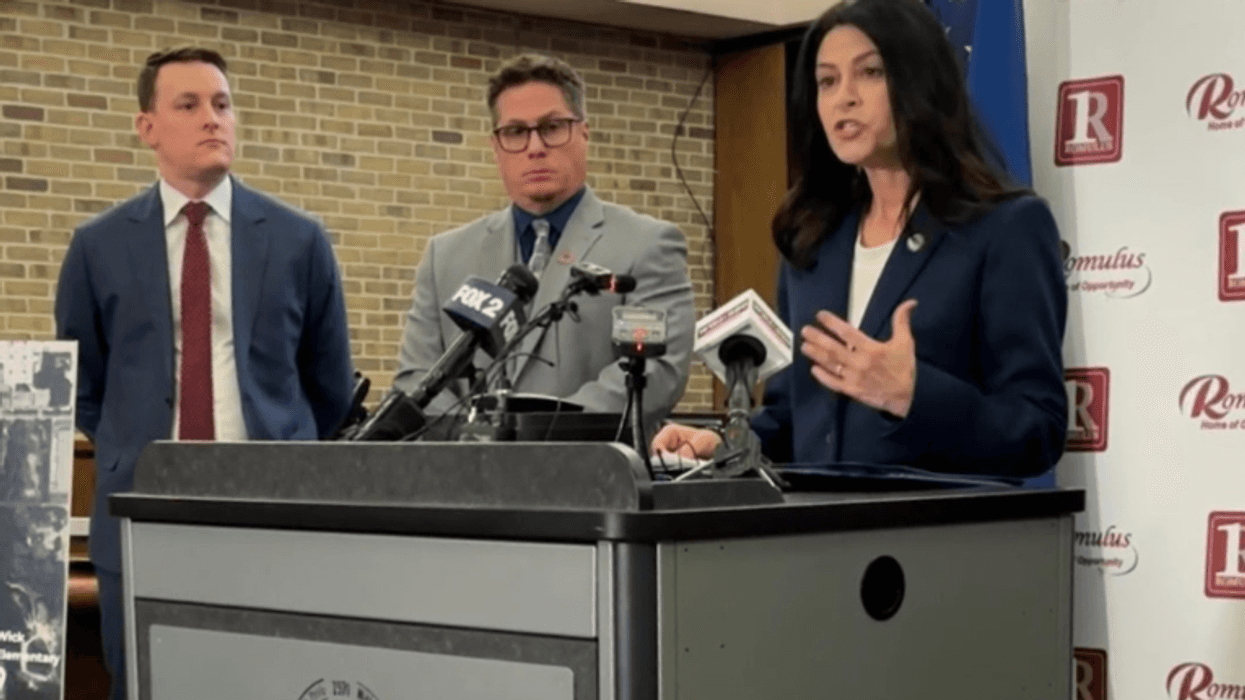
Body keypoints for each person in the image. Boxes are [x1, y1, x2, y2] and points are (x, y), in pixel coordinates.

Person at [653, 0, 1067, 478]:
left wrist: (913, 394)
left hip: (943, 539)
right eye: (827, 81)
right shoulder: (812, 239)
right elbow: (793, 419)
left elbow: (1038, 430)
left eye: (869, 73)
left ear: (921, 83)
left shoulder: (1007, 227)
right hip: (811, 538)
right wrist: (724, 445)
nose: (843, 98)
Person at [54, 47, 355, 700]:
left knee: (276, 682)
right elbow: (86, 384)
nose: (211, 118)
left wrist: (279, 446)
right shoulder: (97, 246)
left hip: (271, 513)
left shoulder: (299, 239)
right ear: (148, 127)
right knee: (144, 683)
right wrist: (135, 442)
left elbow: (329, 384)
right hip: (141, 512)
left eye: (221, 104)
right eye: (187, 105)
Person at [394, 54, 695, 427]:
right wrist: (474, 449)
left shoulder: (647, 245)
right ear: (496, 147)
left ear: (584, 133)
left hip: (591, 474)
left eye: (552, 127)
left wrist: (537, 444)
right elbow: (416, 380)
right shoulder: (445, 256)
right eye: (516, 132)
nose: (535, 147)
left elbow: (656, 373)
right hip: (466, 475)